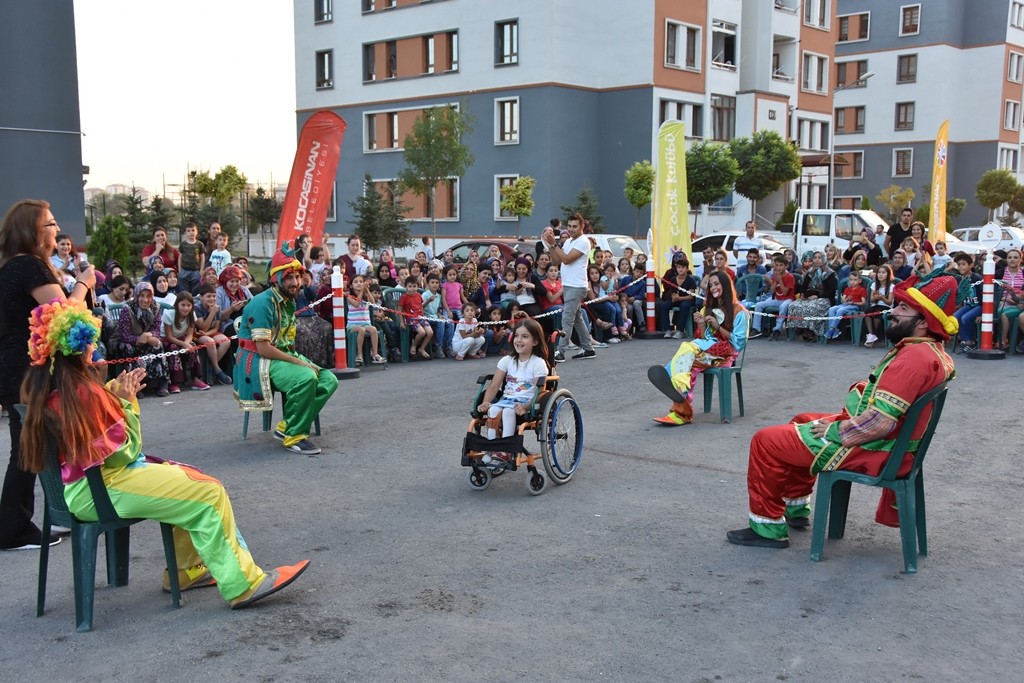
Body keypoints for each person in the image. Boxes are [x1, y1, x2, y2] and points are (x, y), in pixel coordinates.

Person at [20, 298, 309, 606]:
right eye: (91, 344)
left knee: (187, 476)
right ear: (81, 347)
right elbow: (126, 453)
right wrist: (127, 402)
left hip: (80, 491)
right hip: (104, 490)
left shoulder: (48, 389)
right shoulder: (85, 393)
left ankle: (186, 572)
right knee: (208, 493)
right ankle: (243, 584)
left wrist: (112, 399)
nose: (95, 350)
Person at [726, 275, 958, 548]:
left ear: (923, 322)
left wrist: (836, 430)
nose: (893, 312)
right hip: (895, 444)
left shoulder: (914, 358)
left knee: (765, 441)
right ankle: (796, 509)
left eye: (903, 309)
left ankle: (768, 529)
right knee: (802, 420)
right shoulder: (931, 351)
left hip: (877, 448)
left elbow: (881, 423)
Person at [0, 199, 96, 550]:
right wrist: (83, 284)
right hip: (28, 371)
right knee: (31, 447)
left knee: (36, 444)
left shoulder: (10, 266)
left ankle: (55, 514)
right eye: (51, 223)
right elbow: (64, 317)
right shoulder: (29, 266)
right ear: (34, 231)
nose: (57, 229)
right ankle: (14, 529)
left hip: (15, 370)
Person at [234, 248, 339, 455]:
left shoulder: (288, 299)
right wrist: (301, 363)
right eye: (289, 277)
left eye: (298, 277)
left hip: (281, 354)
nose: (295, 282)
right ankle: (295, 436)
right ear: (276, 279)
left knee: (329, 379)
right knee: (306, 377)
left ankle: (286, 425)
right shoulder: (262, 303)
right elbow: (264, 348)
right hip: (259, 360)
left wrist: (299, 361)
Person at [649, 272, 748, 426]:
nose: (713, 287)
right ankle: (681, 404)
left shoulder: (739, 311)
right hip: (707, 350)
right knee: (688, 358)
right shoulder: (707, 308)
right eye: (711, 285)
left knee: (687, 352)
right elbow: (704, 339)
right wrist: (702, 324)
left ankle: (680, 400)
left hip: (726, 354)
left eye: (717, 284)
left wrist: (718, 327)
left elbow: (739, 343)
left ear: (726, 285)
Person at [476, 319, 550, 469]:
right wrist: (485, 402)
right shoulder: (507, 361)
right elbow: (494, 385)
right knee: (493, 410)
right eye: (516, 336)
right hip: (507, 399)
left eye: (525, 336)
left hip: (526, 403)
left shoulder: (538, 363)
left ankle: (505, 450)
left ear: (535, 341)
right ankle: (493, 448)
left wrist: (526, 407)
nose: (519, 340)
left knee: (509, 412)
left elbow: (539, 390)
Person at [541, 213, 597, 361]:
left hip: (577, 286)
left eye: (574, 226)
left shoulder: (584, 242)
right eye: (569, 226)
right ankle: (588, 348)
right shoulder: (568, 242)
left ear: (582, 227)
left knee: (567, 319)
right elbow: (556, 260)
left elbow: (566, 259)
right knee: (577, 318)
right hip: (569, 285)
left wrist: (553, 244)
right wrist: (551, 245)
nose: (571, 229)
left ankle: (560, 351)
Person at [115, 282, 171, 396]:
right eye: (142, 296)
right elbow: (124, 335)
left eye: (148, 296)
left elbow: (157, 329)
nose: (145, 300)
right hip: (129, 341)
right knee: (128, 348)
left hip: (147, 339)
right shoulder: (127, 308)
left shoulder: (156, 307)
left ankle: (162, 383)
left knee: (157, 344)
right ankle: (135, 385)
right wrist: (140, 338)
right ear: (136, 296)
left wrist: (148, 336)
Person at [161, 291, 210, 393]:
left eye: (189, 305)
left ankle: (196, 379)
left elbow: (189, 335)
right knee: (173, 348)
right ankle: (175, 383)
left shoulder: (192, 315)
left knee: (192, 346)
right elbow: (169, 337)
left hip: (181, 338)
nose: (186, 308)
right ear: (177, 305)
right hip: (166, 340)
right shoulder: (169, 314)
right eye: (183, 305)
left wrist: (187, 344)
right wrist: (183, 344)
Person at [784, 251, 837, 342]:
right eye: (815, 257)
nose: (817, 260)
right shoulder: (811, 271)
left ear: (824, 259)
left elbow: (831, 291)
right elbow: (804, 286)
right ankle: (801, 331)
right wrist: (803, 295)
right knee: (794, 306)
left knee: (812, 308)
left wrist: (818, 296)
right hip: (810, 297)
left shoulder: (829, 273)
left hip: (825, 298)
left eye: (819, 257)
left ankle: (814, 332)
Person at [193, 284, 234, 385]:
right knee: (210, 342)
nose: (212, 299)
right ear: (201, 297)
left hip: (209, 332)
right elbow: (202, 327)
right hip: (198, 333)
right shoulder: (197, 308)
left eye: (214, 296)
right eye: (208, 296)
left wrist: (207, 333)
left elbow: (216, 327)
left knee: (226, 341)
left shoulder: (216, 308)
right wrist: (212, 313)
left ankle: (211, 367)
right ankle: (217, 370)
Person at [749, 254, 796, 339]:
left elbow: (785, 292)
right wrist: (775, 281)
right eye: (777, 265)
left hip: (788, 299)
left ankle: (777, 329)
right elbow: (772, 291)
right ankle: (756, 328)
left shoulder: (790, 277)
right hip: (777, 298)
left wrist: (780, 280)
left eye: (781, 265)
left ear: (786, 266)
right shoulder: (775, 275)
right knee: (759, 305)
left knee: (783, 306)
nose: (778, 268)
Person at [346, 274, 386, 365]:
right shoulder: (349, 296)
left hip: (365, 322)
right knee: (361, 330)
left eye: (361, 282)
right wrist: (361, 292)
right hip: (353, 324)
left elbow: (373, 303)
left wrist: (367, 290)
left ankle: (375, 354)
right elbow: (356, 303)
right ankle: (359, 355)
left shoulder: (365, 296)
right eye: (356, 282)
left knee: (373, 329)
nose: (359, 284)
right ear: (351, 285)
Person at [658, 259, 697, 339]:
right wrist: (673, 296)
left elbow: (691, 296)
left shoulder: (690, 280)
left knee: (684, 306)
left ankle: (680, 330)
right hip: (677, 299)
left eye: (683, 267)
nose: (680, 269)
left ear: (687, 269)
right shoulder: (673, 279)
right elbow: (672, 291)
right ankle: (667, 330)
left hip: (687, 300)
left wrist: (680, 298)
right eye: (679, 267)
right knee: (664, 306)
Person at [398, 275, 434, 360]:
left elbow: (421, 306)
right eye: (410, 286)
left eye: (414, 286)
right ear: (406, 287)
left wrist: (428, 301)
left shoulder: (418, 295)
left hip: (420, 318)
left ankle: (421, 349)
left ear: (417, 286)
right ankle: (413, 346)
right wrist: (402, 322)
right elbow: (399, 309)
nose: (412, 289)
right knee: (422, 332)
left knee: (430, 332)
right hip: (411, 319)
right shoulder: (404, 297)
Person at [824, 273, 867, 340]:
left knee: (840, 310)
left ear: (859, 281)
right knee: (832, 309)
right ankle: (834, 329)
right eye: (851, 280)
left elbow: (863, 302)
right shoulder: (847, 289)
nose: (852, 282)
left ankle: (831, 328)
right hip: (845, 304)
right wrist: (846, 299)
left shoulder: (862, 290)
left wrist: (854, 302)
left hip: (854, 306)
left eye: (855, 280)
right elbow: (842, 299)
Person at [863, 264, 895, 348]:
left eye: (883, 272)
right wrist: (876, 298)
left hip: (886, 307)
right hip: (876, 305)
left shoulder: (892, 287)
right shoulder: (874, 285)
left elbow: (889, 302)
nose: (880, 274)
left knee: (877, 314)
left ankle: (874, 334)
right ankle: (871, 334)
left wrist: (882, 298)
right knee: (867, 312)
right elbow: (871, 300)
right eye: (879, 272)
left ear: (888, 274)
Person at [997, 247, 1023, 350]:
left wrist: (1017, 299)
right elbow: (994, 292)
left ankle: (1007, 340)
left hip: (1019, 302)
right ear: (1006, 259)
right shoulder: (999, 273)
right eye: (1010, 257)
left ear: (1020, 259)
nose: (1012, 259)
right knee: (1001, 310)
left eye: (1015, 257)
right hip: (1003, 301)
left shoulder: (1023, 273)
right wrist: (1004, 299)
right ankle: (1003, 340)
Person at [178, 222, 206, 294]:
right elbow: (180, 257)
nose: (191, 233)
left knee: (195, 291)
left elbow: (202, 258)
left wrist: (201, 271)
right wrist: (180, 271)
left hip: (195, 271)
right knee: (184, 291)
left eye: (193, 230)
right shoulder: (183, 244)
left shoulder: (199, 244)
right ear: (185, 233)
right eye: (188, 231)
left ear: (197, 232)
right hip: (184, 270)